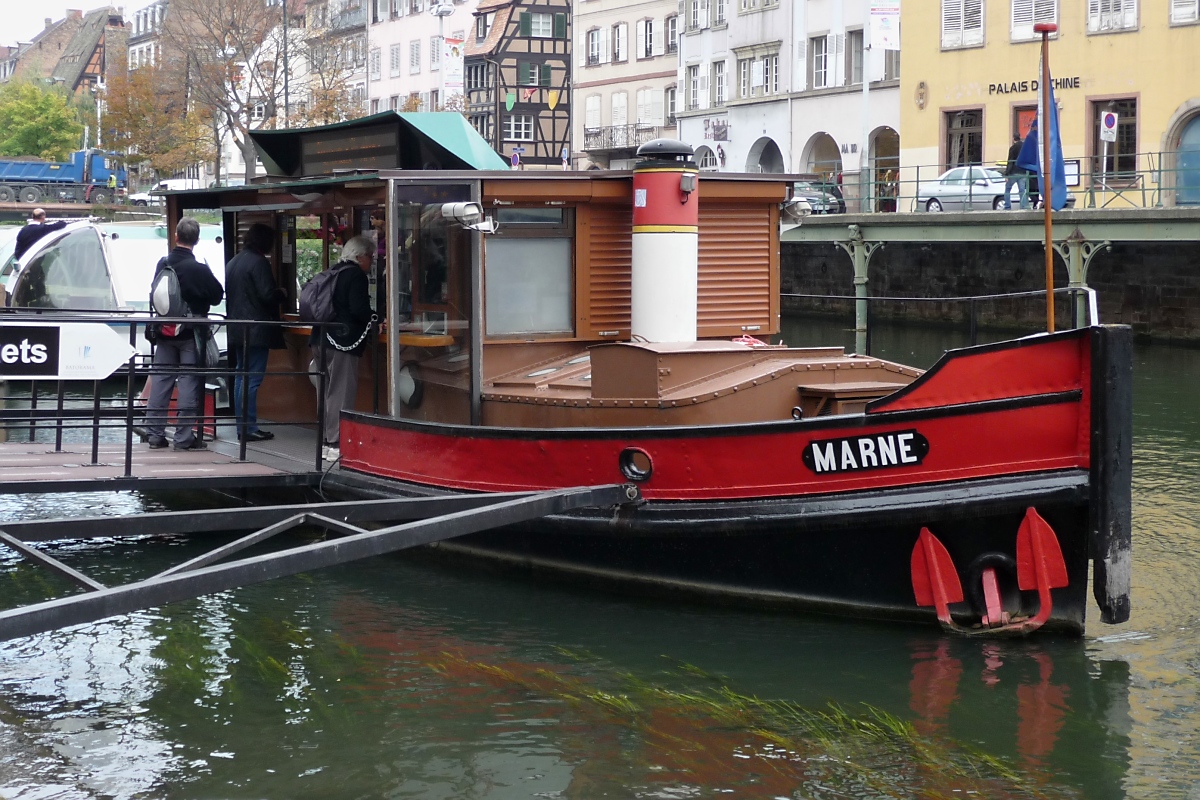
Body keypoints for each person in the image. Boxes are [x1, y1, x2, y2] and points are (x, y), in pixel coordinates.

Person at [145, 217, 225, 451]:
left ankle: (155, 435)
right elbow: (217, 295)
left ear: (177, 237)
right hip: (191, 334)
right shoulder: (198, 269)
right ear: (197, 240)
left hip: (164, 331)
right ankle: (183, 438)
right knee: (189, 382)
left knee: (161, 382)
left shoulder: (163, 264)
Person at [310, 235, 374, 461]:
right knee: (341, 391)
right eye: (370, 257)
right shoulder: (355, 276)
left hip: (320, 339)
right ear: (360, 257)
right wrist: (376, 316)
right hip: (343, 341)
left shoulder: (333, 272)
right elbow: (359, 309)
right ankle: (337, 443)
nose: (372, 262)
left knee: (325, 391)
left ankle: (326, 441)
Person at [225, 223, 286, 442]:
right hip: (256, 329)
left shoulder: (234, 261)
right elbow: (267, 296)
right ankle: (249, 426)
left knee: (242, 376)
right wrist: (282, 293)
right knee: (252, 379)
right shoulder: (259, 263)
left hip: (237, 328)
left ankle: (243, 425)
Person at [1003, 135, 1030, 210]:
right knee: (1022, 190)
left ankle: (1007, 206)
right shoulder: (1024, 147)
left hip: (1014, 172)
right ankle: (1023, 206)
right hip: (1023, 172)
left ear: (1013, 138)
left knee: (1007, 189)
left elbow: (1010, 162)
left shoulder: (1013, 148)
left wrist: (1007, 174)